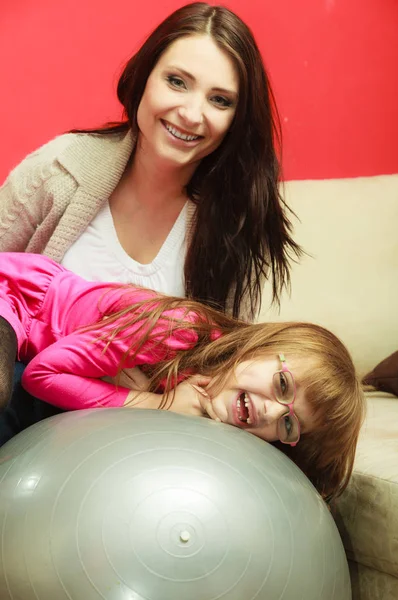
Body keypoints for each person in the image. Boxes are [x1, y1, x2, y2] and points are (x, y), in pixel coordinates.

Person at [0, 2, 300, 320]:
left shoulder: (238, 219)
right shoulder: (59, 169)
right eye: (176, 81)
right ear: (144, 77)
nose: (190, 114)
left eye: (219, 100)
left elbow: (225, 359)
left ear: (237, 119)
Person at [0, 253, 365, 502]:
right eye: (282, 384)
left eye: (289, 424)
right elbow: (42, 374)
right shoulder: (179, 331)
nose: (271, 413)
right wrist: (157, 404)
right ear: (260, 346)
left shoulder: (212, 410)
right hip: (17, 299)